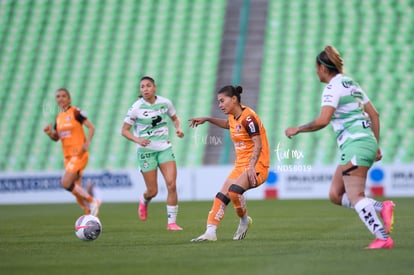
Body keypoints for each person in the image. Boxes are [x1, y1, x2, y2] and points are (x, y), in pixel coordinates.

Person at [285, 45, 395, 249]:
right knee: (336, 194)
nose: (316, 71)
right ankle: (382, 207)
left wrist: (298, 129)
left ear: (323, 68)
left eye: (316, 68)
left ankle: (382, 237)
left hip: (356, 145)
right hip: (364, 143)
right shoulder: (351, 83)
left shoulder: (332, 88)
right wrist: (375, 144)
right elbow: (375, 115)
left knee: (355, 196)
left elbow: (323, 120)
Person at [189, 85, 270, 241]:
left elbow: (258, 144)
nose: (220, 105)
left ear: (234, 99)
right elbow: (228, 125)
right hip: (241, 166)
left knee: (234, 192)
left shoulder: (248, 117)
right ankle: (210, 232)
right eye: (218, 102)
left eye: (222, 101)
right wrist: (207, 119)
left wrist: (252, 166)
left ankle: (244, 220)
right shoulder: (234, 117)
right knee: (221, 196)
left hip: (258, 165)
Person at [121, 76, 184, 231]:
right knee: (153, 191)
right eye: (142, 87)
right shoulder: (136, 107)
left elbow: (175, 119)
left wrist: (178, 128)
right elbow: (124, 131)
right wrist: (138, 140)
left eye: (148, 86)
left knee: (172, 185)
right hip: (146, 151)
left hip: (164, 148)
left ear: (154, 87)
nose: (145, 89)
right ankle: (144, 200)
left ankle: (172, 223)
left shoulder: (165, 103)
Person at [44, 88, 100, 216]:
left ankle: (92, 201)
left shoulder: (75, 112)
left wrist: (87, 143)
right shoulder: (58, 118)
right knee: (76, 189)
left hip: (78, 154)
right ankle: (88, 213)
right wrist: (49, 134)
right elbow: (57, 138)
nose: (61, 98)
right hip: (68, 157)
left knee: (65, 183)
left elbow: (91, 127)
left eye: (64, 96)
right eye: (58, 96)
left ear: (69, 99)